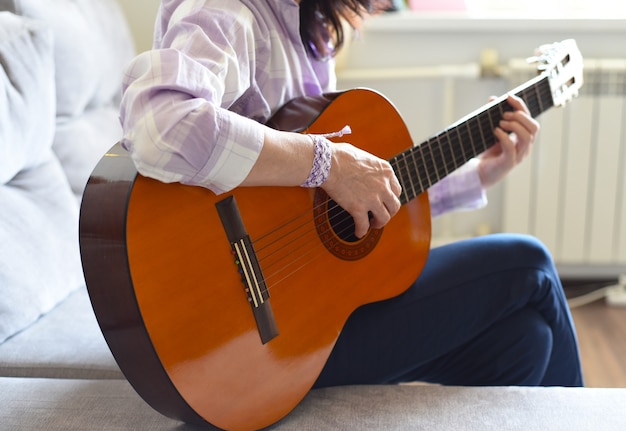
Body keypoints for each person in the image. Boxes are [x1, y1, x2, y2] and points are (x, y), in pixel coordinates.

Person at [119, 0, 583, 388]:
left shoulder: (309, 28)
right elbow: (160, 126)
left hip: (307, 316)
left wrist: (478, 176)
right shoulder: (229, 10)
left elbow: (338, 201)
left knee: (526, 340)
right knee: (529, 263)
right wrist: (328, 162)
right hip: (242, 342)